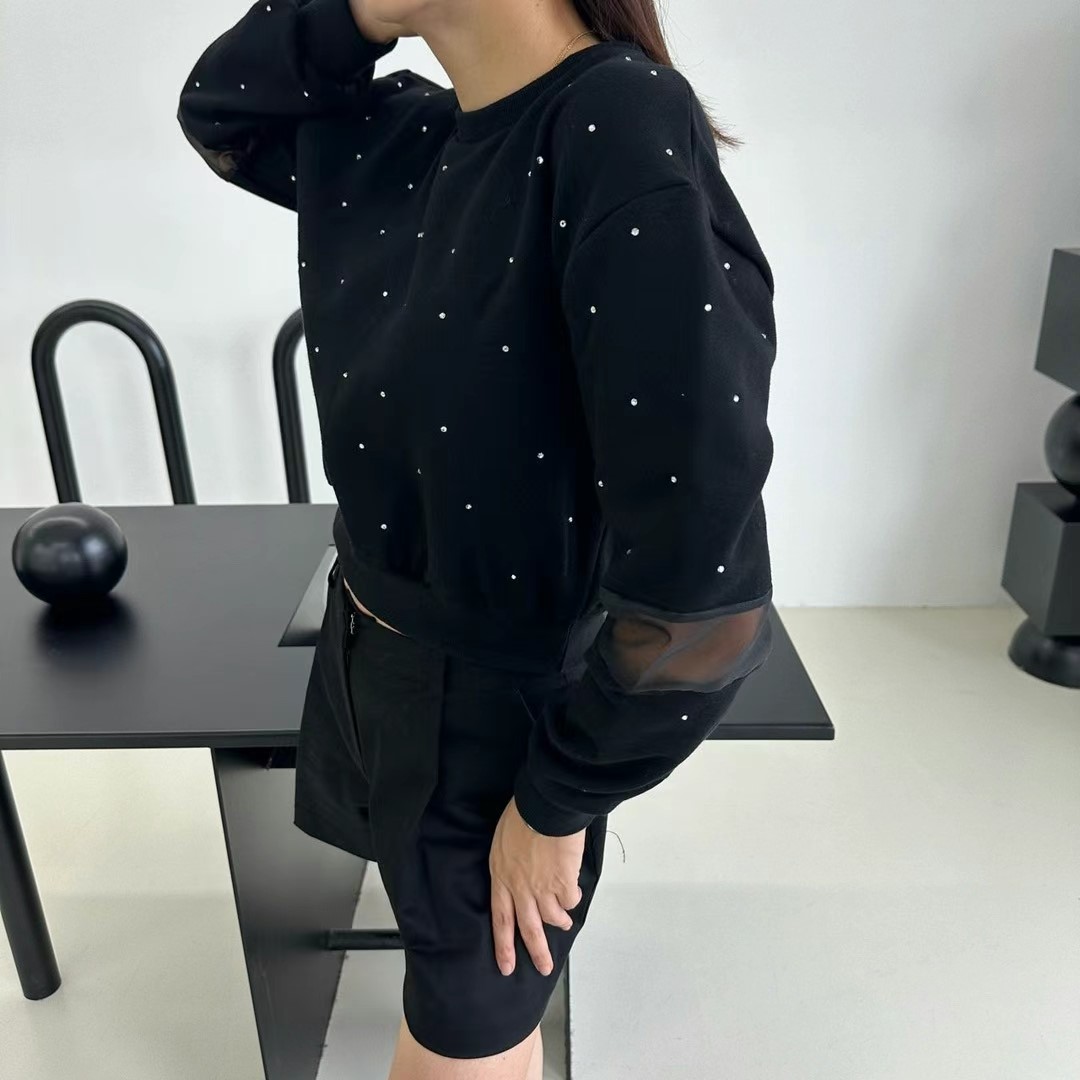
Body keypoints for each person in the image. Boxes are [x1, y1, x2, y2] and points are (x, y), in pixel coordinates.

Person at [177, 1, 777, 1076]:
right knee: (448, 981)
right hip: (370, 655)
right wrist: (361, 13)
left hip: (502, 722)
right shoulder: (402, 133)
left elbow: (700, 594)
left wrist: (557, 803)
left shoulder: (615, 118)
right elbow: (222, 109)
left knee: (464, 1041)